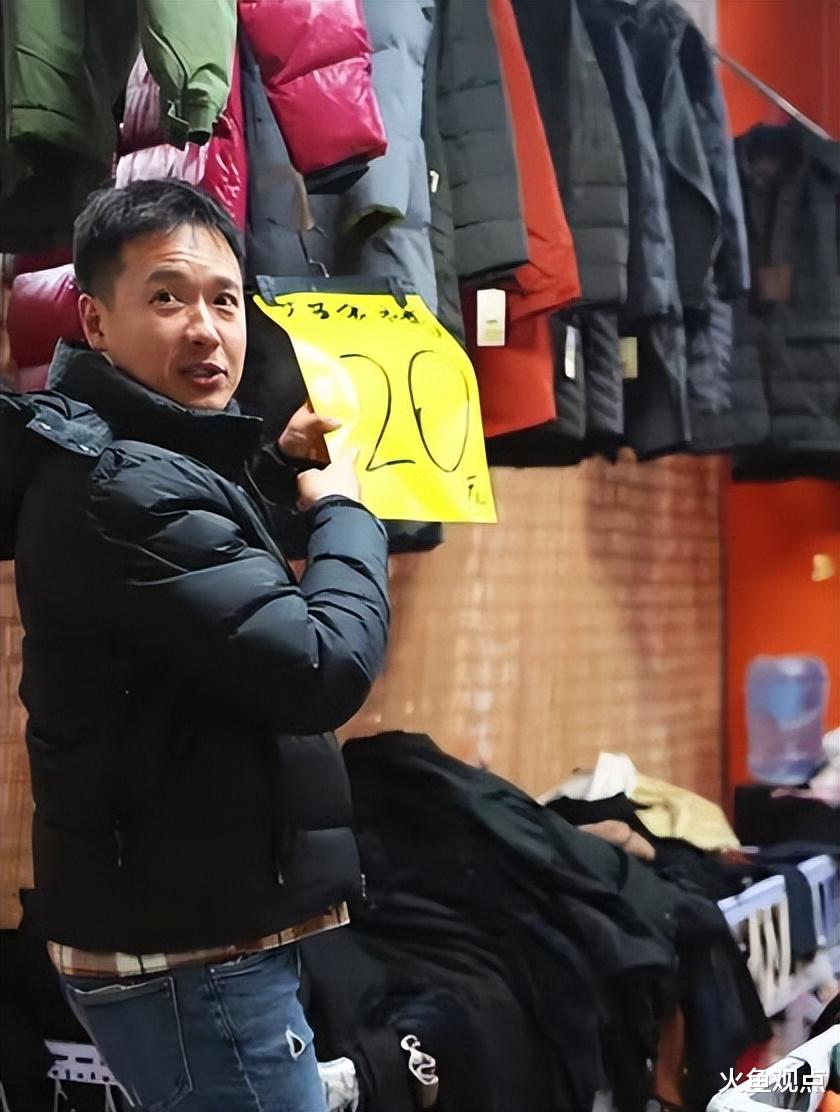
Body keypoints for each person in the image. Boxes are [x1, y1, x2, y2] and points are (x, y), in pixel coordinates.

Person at [0, 179, 390, 1110]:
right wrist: (345, 511)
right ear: (95, 320)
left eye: (225, 299)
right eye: (168, 298)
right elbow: (320, 665)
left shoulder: (133, 458)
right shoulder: (123, 485)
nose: (207, 329)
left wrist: (278, 472)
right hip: (190, 957)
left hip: (189, 935)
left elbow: (206, 586)